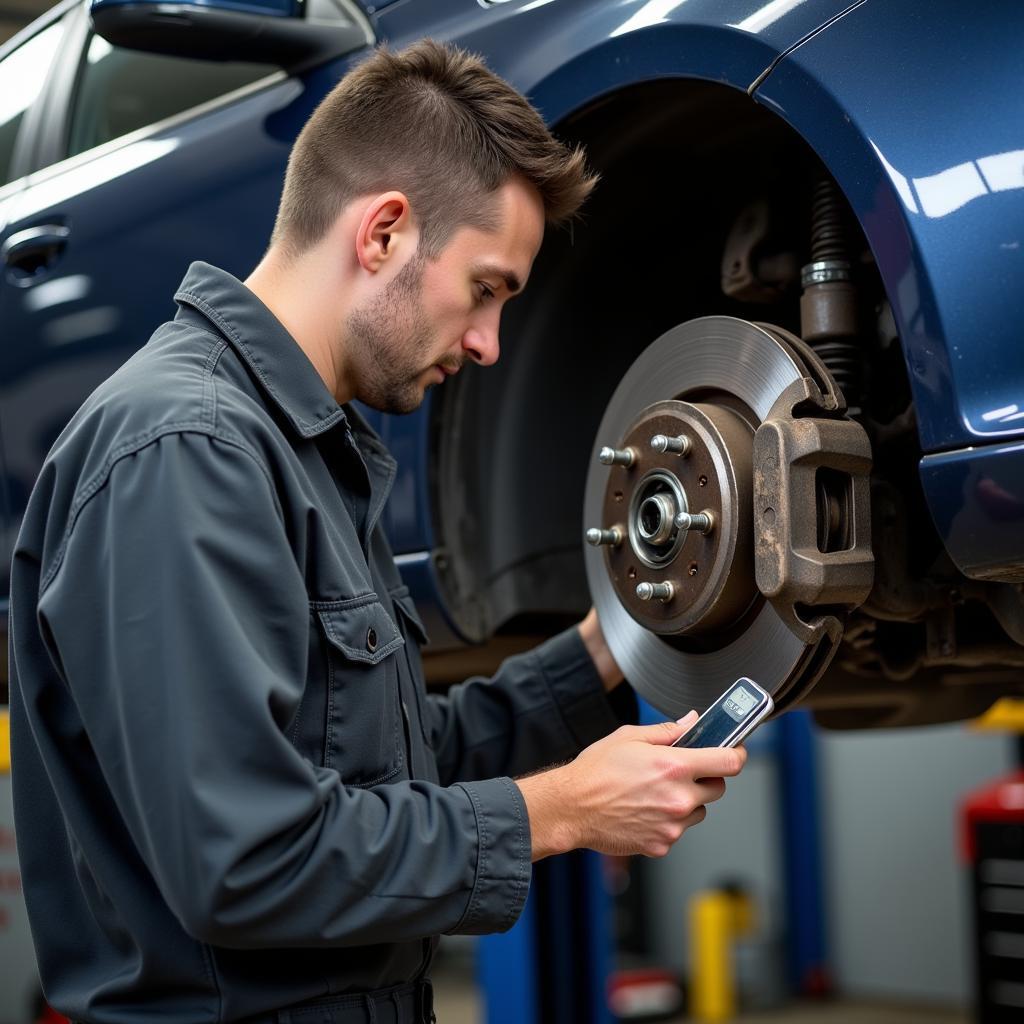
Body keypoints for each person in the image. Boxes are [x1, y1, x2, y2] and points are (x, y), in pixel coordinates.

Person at [8, 40, 745, 1024]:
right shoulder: (186, 449)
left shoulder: (302, 452)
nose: (487, 343)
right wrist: (559, 810)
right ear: (385, 232)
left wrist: (604, 651)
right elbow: (246, 860)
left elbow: (393, 767)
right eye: (485, 289)